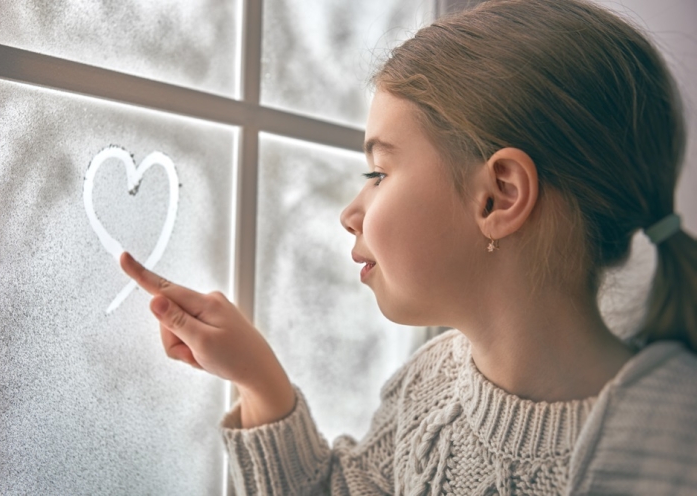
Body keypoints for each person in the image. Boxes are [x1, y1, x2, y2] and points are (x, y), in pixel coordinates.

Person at [120, 0, 697, 493]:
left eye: (378, 174)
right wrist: (258, 379)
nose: (350, 213)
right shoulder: (433, 389)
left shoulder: (670, 452)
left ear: (498, 197)